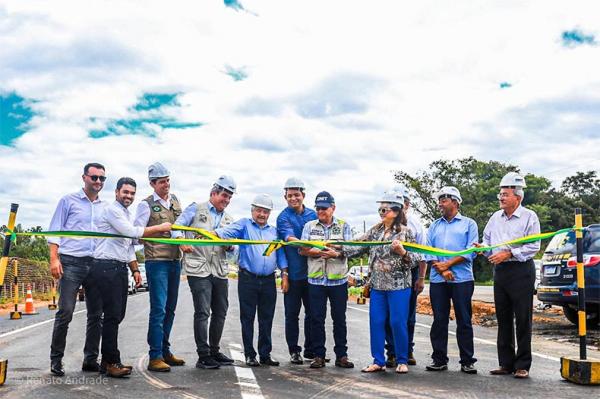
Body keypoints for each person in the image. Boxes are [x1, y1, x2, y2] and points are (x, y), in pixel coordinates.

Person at [91, 177, 172, 378]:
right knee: (111, 316)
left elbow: (129, 243)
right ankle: (111, 362)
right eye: (125, 192)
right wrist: (159, 228)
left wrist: (135, 270)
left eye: (132, 193)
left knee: (117, 316)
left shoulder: (126, 213)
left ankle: (108, 360)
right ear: (117, 192)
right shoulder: (112, 210)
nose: (129, 196)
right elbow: (131, 232)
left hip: (119, 268)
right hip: (105, 266)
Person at [344, 192, 418, 374]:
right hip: (377, 286)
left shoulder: (405, 232)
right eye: (380, 209)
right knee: (376, 322)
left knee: (397, 322)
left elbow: (417, 259)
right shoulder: (375, 231)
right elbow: (357, 246)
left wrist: (403, 252)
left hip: (399, 286)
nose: (381, 212)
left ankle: (402, 359)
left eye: (384, 209)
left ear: (396, 210)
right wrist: (335, 248)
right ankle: (378, 360)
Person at [47, 162, 107, 376]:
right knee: (65, 312)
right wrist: (54, 260)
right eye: (94, 177)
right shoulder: (67, 201)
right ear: (84, 178)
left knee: (96, 315)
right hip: (71, 262)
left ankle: (90, 359)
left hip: (96, 264)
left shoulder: (105, 207)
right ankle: (56, 360)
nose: (98, 182)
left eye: (102, 178)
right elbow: (54, 231)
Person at [215, 194, 288, 367]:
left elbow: (280, 254)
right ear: (252, 210)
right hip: (248, 279)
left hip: (269, 280)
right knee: (247, 317)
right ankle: (250, 354)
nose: (262, 214)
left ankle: (265, 354)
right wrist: (213, 233)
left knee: (267, 318)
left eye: (265, 212)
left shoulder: (273, 231)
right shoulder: (244, 225)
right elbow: (226, 232)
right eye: (259, 211)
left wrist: (285, 274)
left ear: (269, 213)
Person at [172, 175, 237, 369]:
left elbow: (234, 246)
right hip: (198, 268)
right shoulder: (195, 208)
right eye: (224, 195)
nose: (226, 200)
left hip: (219, 270)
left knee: (221, 311)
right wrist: (182, 242)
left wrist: (231, 247)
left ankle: (215, 351)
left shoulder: (228, 219)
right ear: (213, 193)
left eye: (229, 197)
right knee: (202, 312)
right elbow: (176, 227)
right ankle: (203, 355)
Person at [480, 172, 540, 379]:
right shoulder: (495, 217)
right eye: (500, 194)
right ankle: (505, 363)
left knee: (523, 318)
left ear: (518, 197)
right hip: (501, 271)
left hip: (521, 270)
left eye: (505, 194)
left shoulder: (529, 216)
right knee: (503, 318)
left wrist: (509, 253)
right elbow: (487, 240)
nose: (501, 198)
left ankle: (522, 364)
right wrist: (483, 248)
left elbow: (534, 246)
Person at [134, 162, 185, 372]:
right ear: (152, 183)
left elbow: (180, 226)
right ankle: (154, 355)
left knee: (170, 310)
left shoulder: (174, 201)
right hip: (157, 263)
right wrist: (158, 229)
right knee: (159, 309)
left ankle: (165, 350)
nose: (166, 185)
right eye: (162, 182)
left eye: (168, 180)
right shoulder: (145, 205)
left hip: (175, 262)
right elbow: (136, 233)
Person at [424, 186, 478, 374]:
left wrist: (447, 265)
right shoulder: (434, 225)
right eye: (439, 200)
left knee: (464, 319)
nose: (440, 203)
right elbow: (427, 250)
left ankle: (467, 361)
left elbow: (471, 250)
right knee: (439, 319)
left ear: (455, 202)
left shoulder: (469, 224)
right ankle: (439, 359)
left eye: (444, 200)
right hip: (438, 280)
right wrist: (440, 268)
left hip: (462, 279)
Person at [299, 191, 354, 369]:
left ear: (333, 208)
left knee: (339, 319)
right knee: (316, 318)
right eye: (318, 208)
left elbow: (352, 250)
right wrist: (313, 251)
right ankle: (318, 356)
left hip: (338, 281)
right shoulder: (309, 226)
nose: (321, 211)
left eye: (324, 208)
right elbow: (301, 249)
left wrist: (336, 253)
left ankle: (342, 355)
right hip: (316, 281)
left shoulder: (344, 226)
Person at [384, 183, 427, 367]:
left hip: (410, 272)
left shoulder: (416, 225)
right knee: (388, 315)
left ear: (407, 205)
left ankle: (407, 350)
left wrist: (421, 277)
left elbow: (423, 254)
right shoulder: (383, 224)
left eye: (402, 203)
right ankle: (392, 352)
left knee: (407, 315)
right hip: (387, 274)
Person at [276, 177, 317, 364]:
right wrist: (284, 274)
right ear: (285, 197)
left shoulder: (313, 215)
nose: (293, 198)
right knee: (291, 315)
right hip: (292, 275)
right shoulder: (283, 217)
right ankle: (294, 350)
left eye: (297, 195)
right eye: (290, 195)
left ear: (303, 195)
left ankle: (310, 349)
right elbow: (289, 239)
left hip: (312, 274)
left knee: (313, 313)